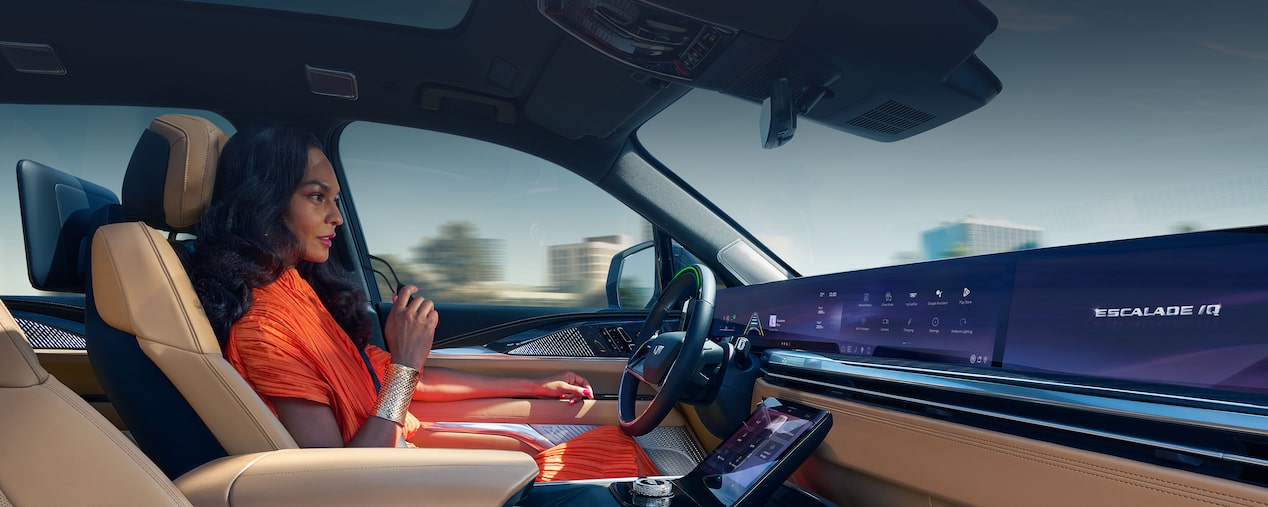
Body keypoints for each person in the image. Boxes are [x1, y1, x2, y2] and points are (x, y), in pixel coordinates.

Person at [188, 125, 658, 481]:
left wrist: (533, 382)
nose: (336, 217)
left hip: (398, 455)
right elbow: (337, 479)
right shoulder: (264, 328)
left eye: (334, 198)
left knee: (599, 450)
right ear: (264, 201)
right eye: (317, 197)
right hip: (385, 480)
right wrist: (405, 365)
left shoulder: (292, 289)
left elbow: (386, 380)